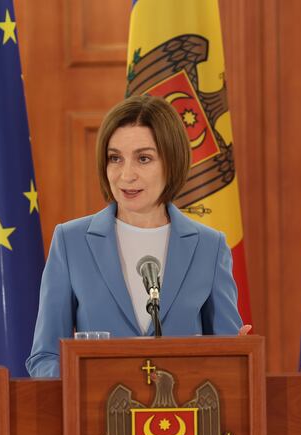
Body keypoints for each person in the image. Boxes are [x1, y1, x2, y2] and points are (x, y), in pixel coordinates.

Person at [26, 95, 247, 378]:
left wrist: (238, 356)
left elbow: (226, 357)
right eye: (115, 158)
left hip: (180, 406)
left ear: (172, 161)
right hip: (97, 406)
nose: (126, 175)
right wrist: (80, 389)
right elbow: (45, 357)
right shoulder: (71, 242)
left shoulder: (209, 247)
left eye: (144, 159)